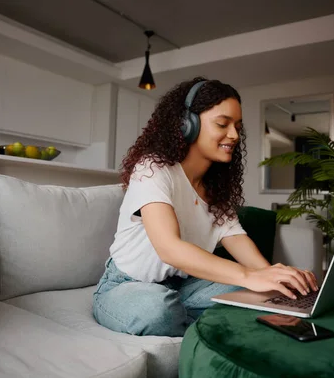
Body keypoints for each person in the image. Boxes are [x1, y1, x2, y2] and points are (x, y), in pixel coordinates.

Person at [93, 77, 318, 337]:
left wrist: (274, 278)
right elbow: (170, 249)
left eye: (237, 126)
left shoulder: (215, 190)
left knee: (263, 295)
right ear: (187, 124)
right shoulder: (152, 169)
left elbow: (237, 240)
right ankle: (202, 319)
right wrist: (247, 276)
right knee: (158, 310)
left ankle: (198, 317)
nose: (234, 135)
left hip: (184, 287)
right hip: (127, 285)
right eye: (223, 124)